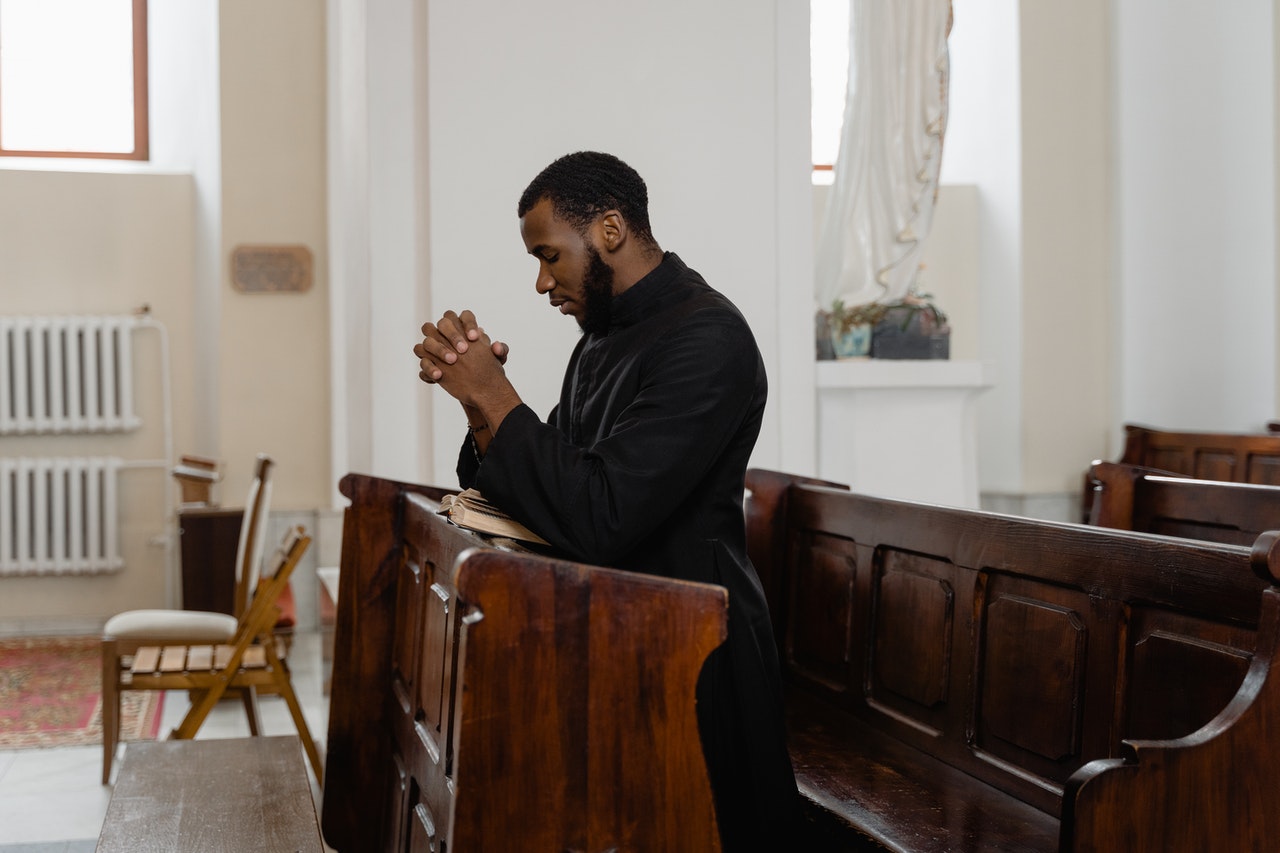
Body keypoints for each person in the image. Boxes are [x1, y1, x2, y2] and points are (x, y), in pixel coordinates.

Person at [413, 151, 797, 850]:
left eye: (549, 255)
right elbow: (558, 487)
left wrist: (497, 395)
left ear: (611, 230)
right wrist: (480, 410)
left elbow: (602, 515)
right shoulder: (600, 342)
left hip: (695, 651)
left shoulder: (707, 337)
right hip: (619, 634)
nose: (541, 281)